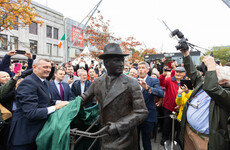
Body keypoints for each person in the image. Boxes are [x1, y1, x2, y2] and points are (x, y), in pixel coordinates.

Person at [81, 43, 148, 150]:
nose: (121, 64)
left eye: (122, 60)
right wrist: (62, 108)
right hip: (104, 135)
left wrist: (118, 126)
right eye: (117, 60)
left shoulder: (131, 83)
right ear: (106, 63)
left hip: (124, 138)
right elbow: (83, 99)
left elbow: (141, 112)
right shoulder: (98, 82)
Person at [8, 58, 69, 150]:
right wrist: (56, 107)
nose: (48, 70)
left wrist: (62, 103)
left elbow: (47, 101)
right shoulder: (28, 83)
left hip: (37, 135)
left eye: (49, 67)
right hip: (25, 137)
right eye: (45, 67)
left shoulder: (45, 82)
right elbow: (31, 113)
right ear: (34, 67)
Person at [180, 49, 230, 150]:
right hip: (189, 130)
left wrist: (212, 65)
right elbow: (193, 72)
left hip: (204, 140)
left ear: (223, 81)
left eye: (212, 71)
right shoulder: (203, 83)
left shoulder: (226, 96)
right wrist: (186, 54)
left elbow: (212, 88)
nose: (208, 72)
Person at [137, 61, 164, 150]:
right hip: (135, 116)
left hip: (148, 116)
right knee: (134, 141)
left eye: (143, 68)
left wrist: (147, 88)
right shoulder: (133, 81)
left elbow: (161, 93)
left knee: (146, 141)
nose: (140, 70)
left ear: (147, 70)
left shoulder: (153, 80)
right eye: (139, 68)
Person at [159, 66, 186, 146]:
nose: (178, 73)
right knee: (167, 125)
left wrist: (180, 105)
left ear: (184, 74)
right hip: (169, 107)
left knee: (179, 126)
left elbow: (187, 95)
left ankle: (177, 140)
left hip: (180, 108)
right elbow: (161, 82)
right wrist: (163, 75)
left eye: (180, 72)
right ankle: (165, 139)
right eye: (177, 72)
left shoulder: (186, 82)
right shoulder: (169, 80)